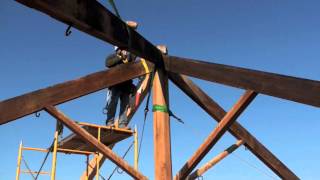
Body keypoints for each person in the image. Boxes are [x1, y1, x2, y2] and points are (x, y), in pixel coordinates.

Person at [104, 21, 138, 128]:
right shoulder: (112, 57)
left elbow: (135, 51)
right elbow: (108, 63)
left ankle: (122, 124)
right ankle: (110, 122)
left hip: (126, 85)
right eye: (121, 50)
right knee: (112, 103)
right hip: (115, 84)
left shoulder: (129, 58)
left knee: (124, 105)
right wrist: (119, 57)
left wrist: (130, 31)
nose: (124, 52)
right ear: (117, 50)